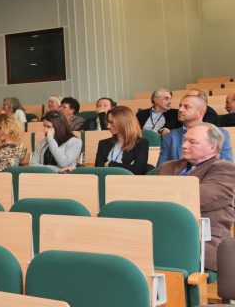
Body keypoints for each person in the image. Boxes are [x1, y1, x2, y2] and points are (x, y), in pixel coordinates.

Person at [158, 123, 235, 271]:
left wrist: (160, 194)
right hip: (163, 233)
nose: (184, 145)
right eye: (184, 140)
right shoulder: (167, 167)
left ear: (212, 148)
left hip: (202, 240)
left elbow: (200, 197)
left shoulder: (225, 169)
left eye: (192, 142)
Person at [157, 95, 232, 167]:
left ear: (200, 113)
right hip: (178, 175)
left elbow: (225, 165)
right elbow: (161, 168)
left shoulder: (221, 134)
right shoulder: (169, 136)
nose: (180, 110)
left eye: (186, 107)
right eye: (180, 106)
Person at [94, 106, 149, 174]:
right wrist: (127, 166)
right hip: (105, 179)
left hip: (128, 180)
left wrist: (109, 164)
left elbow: (137, 171)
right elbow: (98, 170)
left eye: (112, 122)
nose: (108, 126)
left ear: (124, 122)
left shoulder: (141, 143)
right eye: (108, 122)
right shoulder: (103, 143)